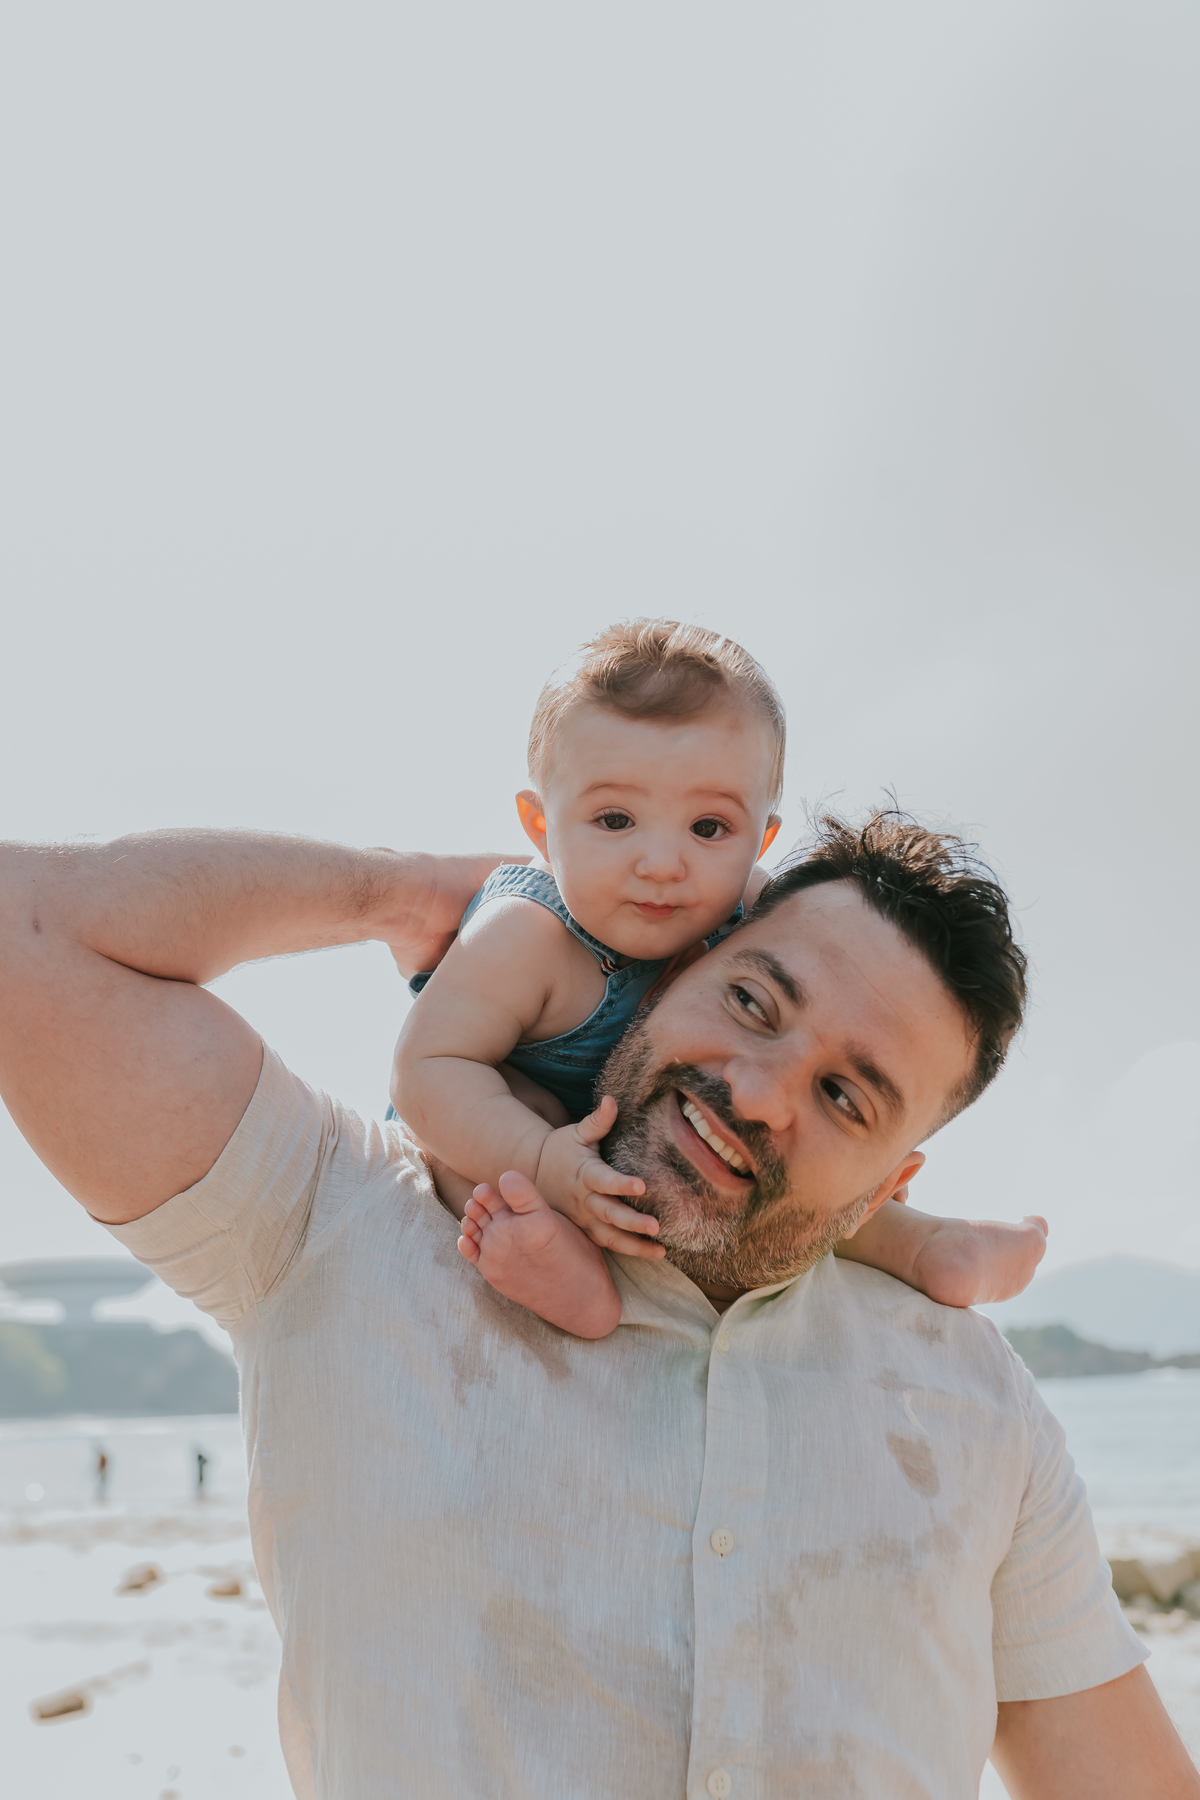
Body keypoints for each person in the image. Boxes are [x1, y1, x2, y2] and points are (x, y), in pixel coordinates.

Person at [0, 821, 1196, 1799]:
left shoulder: (975, 1400)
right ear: (659, 976)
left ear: (892, 1186)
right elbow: (27, 925)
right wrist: (409, 893)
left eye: (844, 1093)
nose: (759, 1090)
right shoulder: (337, 1224)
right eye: (751, 1002)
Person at [393, 618, 1047, 1336]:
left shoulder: (755, 912)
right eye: (615, 819)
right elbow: (426, 1071)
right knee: (508, 1117)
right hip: (494, 1118)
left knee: (797, 1174)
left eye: (708, 829)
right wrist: (543, 1160)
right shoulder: (526, 934)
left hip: (651, 1127)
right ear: (542, 827)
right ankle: (558, 1268)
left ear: (761, 840)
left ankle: (926, 1245)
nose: (664, 863)